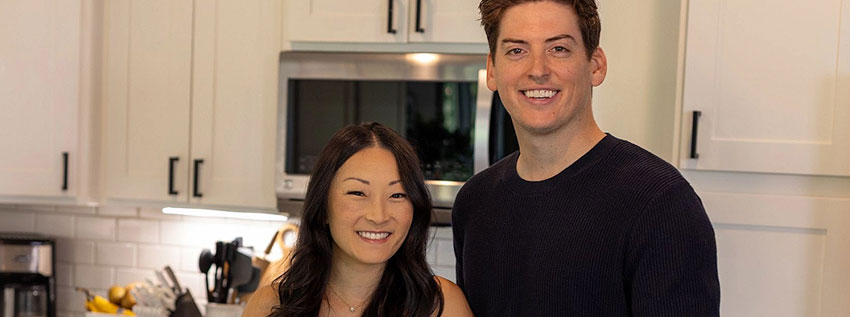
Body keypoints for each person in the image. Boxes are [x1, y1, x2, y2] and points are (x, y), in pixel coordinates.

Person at [451, 0, 721, 315]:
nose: (537, 70)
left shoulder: (660, 201)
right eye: (516, 51)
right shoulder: (475, 201)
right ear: (493, 71)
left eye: (559, 49)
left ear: (595, 65)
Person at [244, 122, 472, 316]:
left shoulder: (443, 306)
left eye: (397, 195)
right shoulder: (270, 306)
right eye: (358, 193)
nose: (378, 216)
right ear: (323, 207)